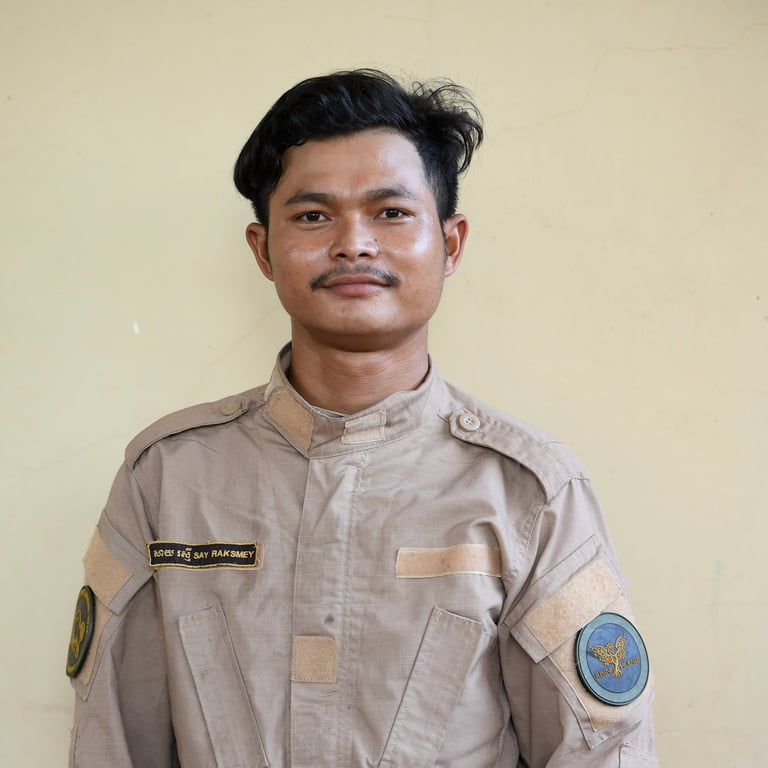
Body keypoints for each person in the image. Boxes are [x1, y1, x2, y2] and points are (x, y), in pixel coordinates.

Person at [66, 69, 659, 767]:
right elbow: (109, 741)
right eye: (313, 216)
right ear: (262, 249)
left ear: (451, 244)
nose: (353, 244)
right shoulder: (166, 477)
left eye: (391, 212)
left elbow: (600, 750)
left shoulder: (530, 491)